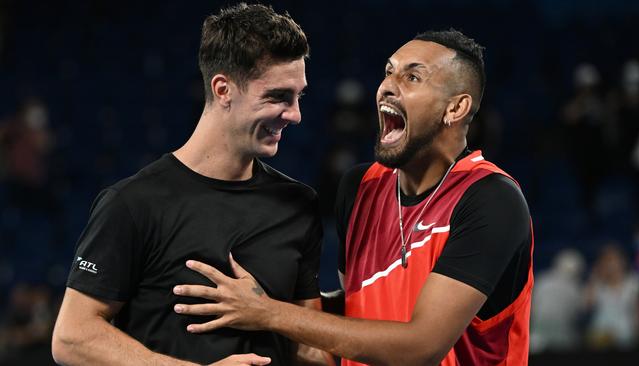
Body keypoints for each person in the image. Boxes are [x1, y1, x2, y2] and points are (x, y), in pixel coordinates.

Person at [173, 29, 534, 365]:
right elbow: (356, 320)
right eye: (388, 72)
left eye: (412, 77)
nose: (387, 87)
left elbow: (421, 346)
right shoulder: (359, 188)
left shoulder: (490, 198)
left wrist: (268, 312)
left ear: (454, 109)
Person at [52, 3, 332, 366]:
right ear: (223, 89)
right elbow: (73, 337)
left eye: (298, 97)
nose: (295, 115)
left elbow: (309, 347)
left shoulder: (300, 204)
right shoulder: (133, 203)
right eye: (278, 97)